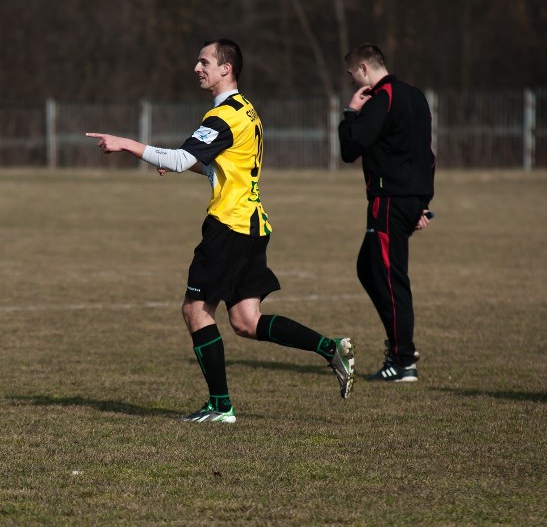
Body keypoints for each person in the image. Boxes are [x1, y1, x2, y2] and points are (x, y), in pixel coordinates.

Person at [86, 39, 354, 423]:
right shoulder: (247, 112)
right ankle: (331, 348)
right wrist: (178, 161)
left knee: (195, 309)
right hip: (252, 225)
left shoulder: (224, 116)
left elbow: (180, 160)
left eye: (204, 61)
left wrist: (126, 144)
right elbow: (214, 167)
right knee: (247, 320)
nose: (197, 68)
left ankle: (220, 406)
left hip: (228, 225)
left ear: (226, 68)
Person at [338, 43, 436, 383]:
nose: (352, 84)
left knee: (392, 278)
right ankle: (399, 346)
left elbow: (350, 148)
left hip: (390, 200)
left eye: (352, 76)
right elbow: (426, 154)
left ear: (364, 69)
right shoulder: (416, 96)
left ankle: (403, 359)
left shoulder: (383, 98)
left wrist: (350, 113)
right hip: (406, 198)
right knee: (369, 267)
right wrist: (422, 201)